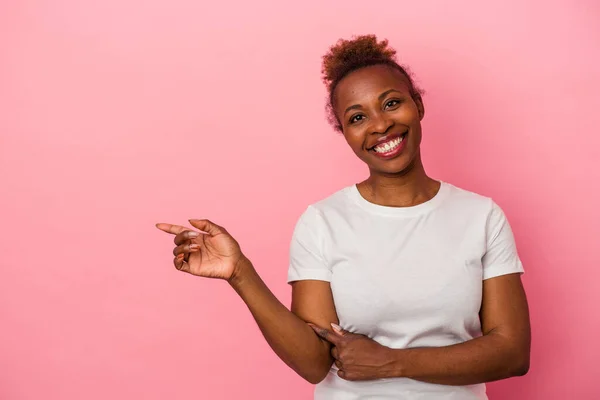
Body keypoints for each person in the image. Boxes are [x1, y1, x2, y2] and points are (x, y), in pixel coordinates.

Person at [155, 35, 531, 399]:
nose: (380, 125)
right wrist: (241, 273)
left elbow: (513, 353)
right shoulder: (322, 222)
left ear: (418, 105)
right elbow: (315, 364)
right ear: (345, 133)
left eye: (391, 103)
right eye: (356, 117)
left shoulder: (481, 216)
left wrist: (391, 363)